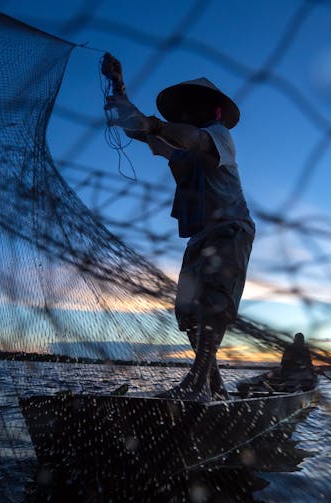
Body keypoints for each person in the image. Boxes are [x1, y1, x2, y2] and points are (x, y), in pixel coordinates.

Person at [103, 57, 254, 401]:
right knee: (188, 311)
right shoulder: (179, 147)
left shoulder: (220, 137)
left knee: (214, 302)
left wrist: (153, 125)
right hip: (200, 236)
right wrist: (119, 87)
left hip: (231, 230)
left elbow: (192, 139)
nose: (185, 113)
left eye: (194, 107)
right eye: (183, 109)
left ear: (211, 111)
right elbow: (139, 130)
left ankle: (197, 383)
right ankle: (213, 386)